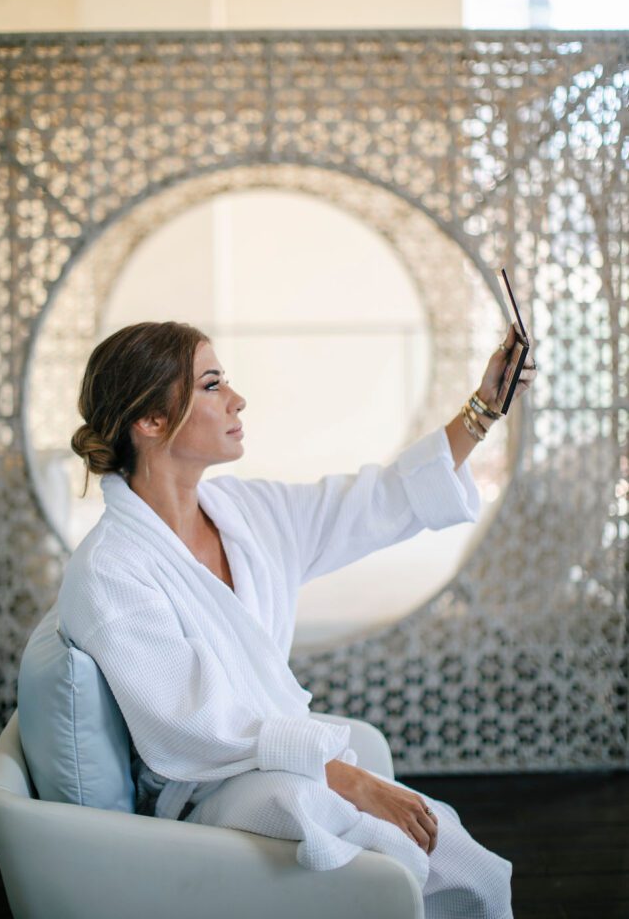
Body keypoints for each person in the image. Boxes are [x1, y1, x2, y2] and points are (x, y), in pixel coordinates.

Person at [59, 319, 536, 919]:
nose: (237, 398)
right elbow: (192, 726)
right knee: (385, 853)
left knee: (467, 865)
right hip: (207, 796)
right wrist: (345, 777)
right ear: (151, 421)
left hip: (291, 769)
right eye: (211, 385)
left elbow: (374, 502)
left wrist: (482, 411)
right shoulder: (112, 568)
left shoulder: (244, 514)